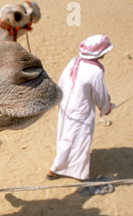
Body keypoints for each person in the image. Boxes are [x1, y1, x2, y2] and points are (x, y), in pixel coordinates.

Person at [47, 34, 115, 181]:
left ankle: (55, 169)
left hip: (66, 108)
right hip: (81, 112)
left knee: (65, 138)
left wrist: (60, 102)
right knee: (80, 141)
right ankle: (79, 175)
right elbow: (100, 94)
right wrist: (106, 108)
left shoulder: (74, 62)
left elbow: (62, 82)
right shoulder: (95, 71)